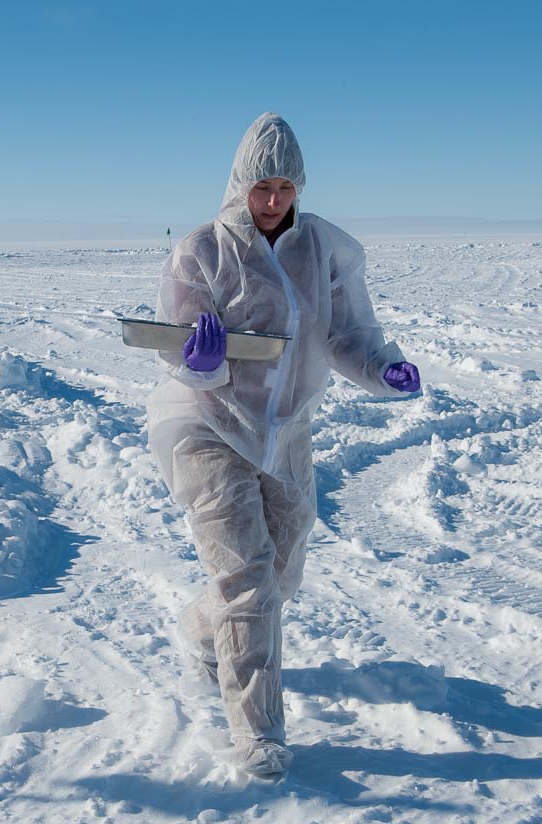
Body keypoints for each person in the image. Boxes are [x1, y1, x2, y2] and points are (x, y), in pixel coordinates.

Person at [146, 112, 421, 778]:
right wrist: (202, 360)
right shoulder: (201, 253)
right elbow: (178, 351)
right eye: (261, 188)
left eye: (284, 189)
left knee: (280, 572)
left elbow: (349, 332)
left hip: (286, 429)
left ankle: (204, 630)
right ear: (240, 186)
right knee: (247, 578)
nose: (273, 202)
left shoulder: (322, 248)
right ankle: (257, 734)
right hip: (207, 426)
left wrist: (382, 368)